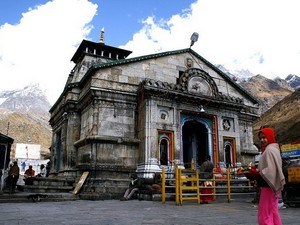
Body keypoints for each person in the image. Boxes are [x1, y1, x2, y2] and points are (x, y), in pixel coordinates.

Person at [257, 127, 285, 225]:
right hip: (274, 186)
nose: (262, 140)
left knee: (264, 213)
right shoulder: (275, 148)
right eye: (260, 138)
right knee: (273, 211)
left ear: (269, 136)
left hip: (268, 185)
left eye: (264, 137)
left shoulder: (269, 150)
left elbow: (270, 171)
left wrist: (257, 172)